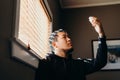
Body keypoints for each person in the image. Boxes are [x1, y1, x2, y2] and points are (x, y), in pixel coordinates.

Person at [35, 16, 107, 80]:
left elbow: (100, 62)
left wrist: (101, 34)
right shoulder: (46, 64)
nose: (69, 39)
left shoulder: (78, 64)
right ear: (54, 44)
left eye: (68, 37)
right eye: (64, 37)